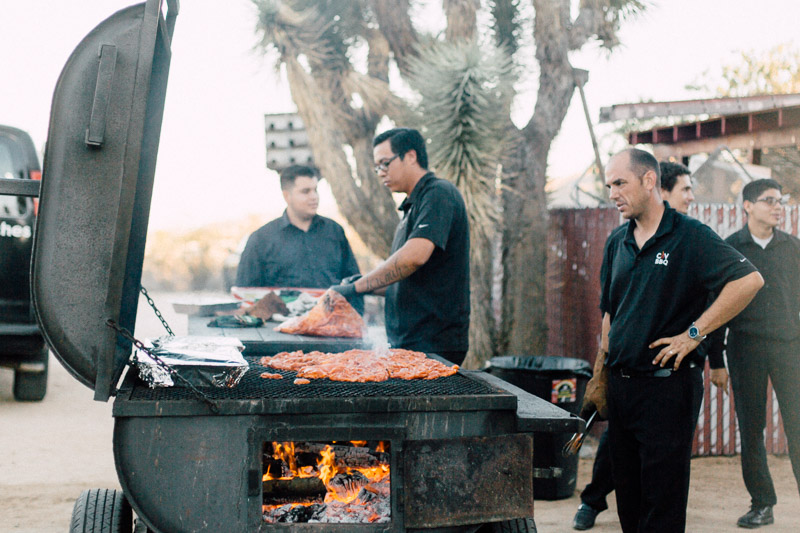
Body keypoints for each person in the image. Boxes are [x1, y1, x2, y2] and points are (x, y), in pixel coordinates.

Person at [587, 148, 763, 533]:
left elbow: (749, 281)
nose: (613, 193)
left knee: (662, 509)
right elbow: (609, 313)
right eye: (609, 185)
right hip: (621, 389)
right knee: (629, 508)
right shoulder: (618, 241)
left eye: (620, 183)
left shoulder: (689, 236)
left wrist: (694, 334)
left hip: (667, 393)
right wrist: (600, 374)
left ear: (649, 181)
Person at [331, 127, 470, 364]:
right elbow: (408, 278)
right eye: (377, 167)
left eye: (385, 163)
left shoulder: (438, 193)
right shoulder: (412, 206)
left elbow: (413, 258)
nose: (380, 172)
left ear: (411, 156)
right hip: (410, 342)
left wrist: (357, 289)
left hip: (434, 343)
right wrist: (362, 284)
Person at [707, 178, 800, 529]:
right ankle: (762, 504)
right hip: (746, 350)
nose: (778, 207)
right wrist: (716, 361)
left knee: (798, 426)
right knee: (751, 430)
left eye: (781, 201)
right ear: (747, 206)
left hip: (791, 349)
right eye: (769, 200)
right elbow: (716, 307)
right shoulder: (730, 248)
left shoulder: (794, 248)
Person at [235, 164, 360, 289]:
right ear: (286, 196)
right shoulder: (261, 239)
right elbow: (246, 292)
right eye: (305, 191)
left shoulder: (334, 231)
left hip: (333, 308)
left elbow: (354, 282)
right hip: (280, 309)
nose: (314, 197)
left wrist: (355, 308)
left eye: (315, 190)